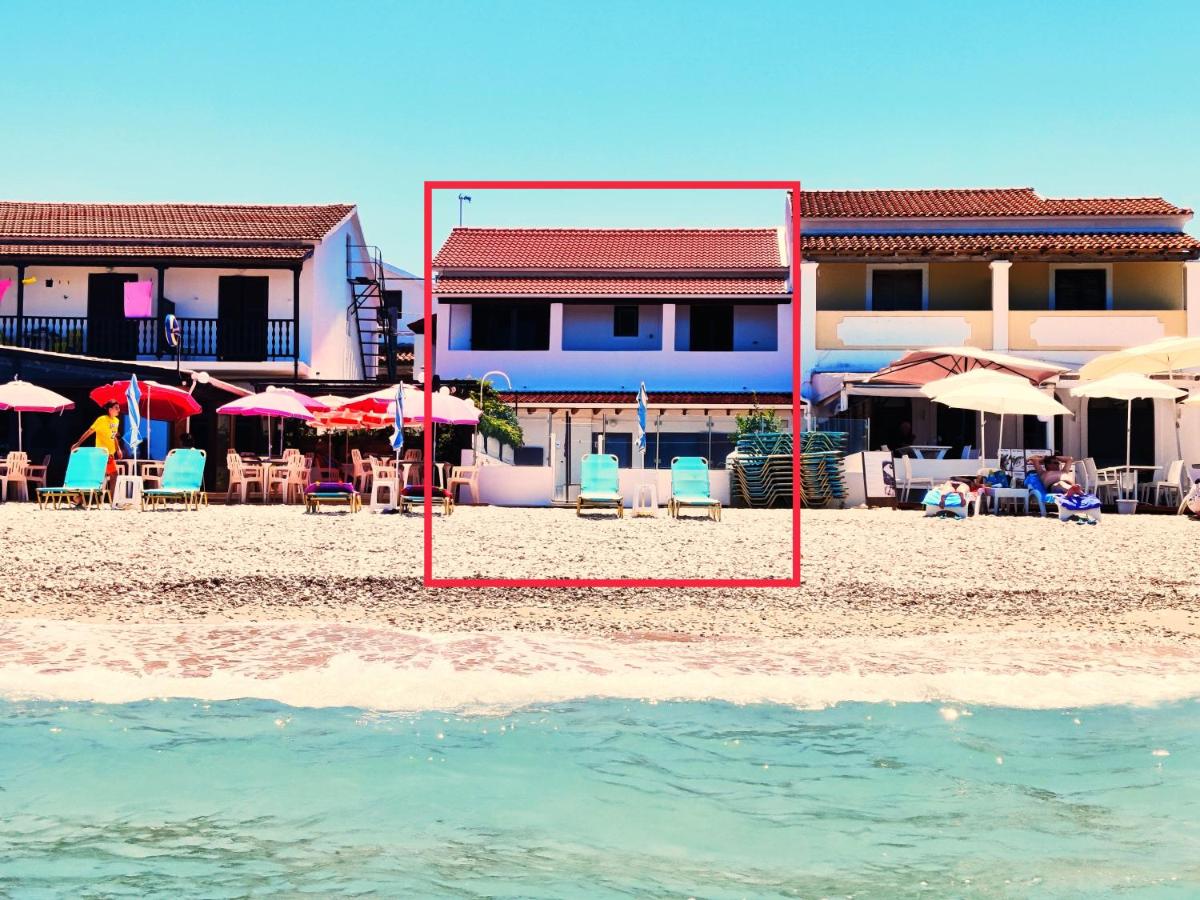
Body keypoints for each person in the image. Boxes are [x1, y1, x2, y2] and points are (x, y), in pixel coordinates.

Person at [72, 401, 122, 493]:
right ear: (110, 409)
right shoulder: (102, 419)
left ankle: (112, 499)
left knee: (113, 475)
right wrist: (78, 443)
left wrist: (118, 449)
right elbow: (89, 431)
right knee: (95, 476)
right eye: (116, 408)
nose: (119, 410)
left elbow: (114, 436)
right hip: (101, 453)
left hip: (110, 454)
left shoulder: (116, 421)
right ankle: (79, 496)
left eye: (119, 407)